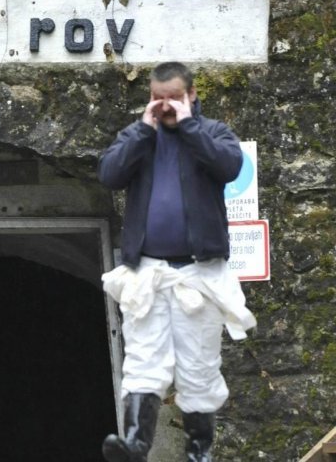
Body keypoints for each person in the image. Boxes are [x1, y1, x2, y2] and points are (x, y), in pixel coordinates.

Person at [97, 61, 256, 462]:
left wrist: (188, 126)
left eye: (173, 98)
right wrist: (142, 131)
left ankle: (198, 451)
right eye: (157, 98)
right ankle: (135, 442)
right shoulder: (139, 136)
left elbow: (229, 166)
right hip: (148, 272)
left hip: (199, 274)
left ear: (192, 95)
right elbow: (109, 174)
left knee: (198, 365)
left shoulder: (213, 132)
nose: (164, 105)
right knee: (143, 359)